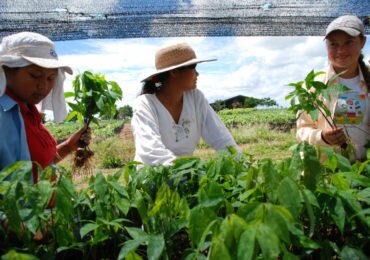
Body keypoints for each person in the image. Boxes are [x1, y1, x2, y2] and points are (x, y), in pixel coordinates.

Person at [0, 31, 91, 182]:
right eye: (35, 75)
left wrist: (68, 146)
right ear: (7, 69)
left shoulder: (28, 112)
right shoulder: (4, 115)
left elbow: (39, 166)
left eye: (51, 78)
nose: (43, 86)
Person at [131, 42, 240, 166]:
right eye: (193, 67)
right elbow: (150, 152)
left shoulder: (196, 98)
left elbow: (221, 138)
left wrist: (241, 165)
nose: (197, 74)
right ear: (174, 72)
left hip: (186, 175)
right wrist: (187, 174)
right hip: (153, 176)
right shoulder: (145, 104)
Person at [296, 15, 370, 161]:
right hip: (329, 171)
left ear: (362, 42)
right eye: (333, 44)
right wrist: (321, 136)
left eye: (348, 42)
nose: (341, 51)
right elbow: (301, 131)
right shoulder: (313, 86)